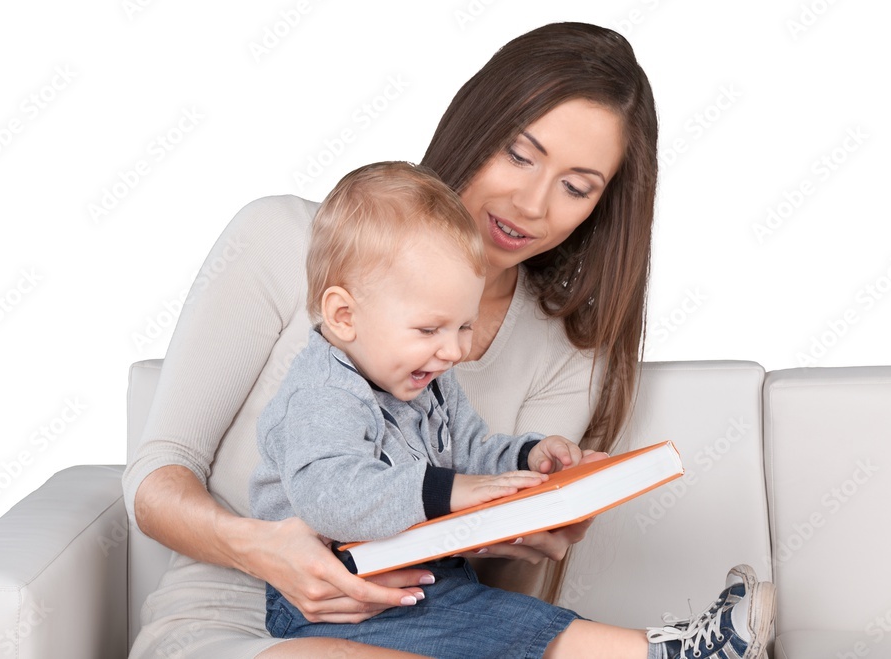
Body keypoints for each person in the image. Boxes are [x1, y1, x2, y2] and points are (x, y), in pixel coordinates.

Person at [123, 22, 768, 658]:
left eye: (576, 187)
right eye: (520, 154)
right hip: (237, 617)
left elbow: (484, 570)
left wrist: (533, 513)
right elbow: (157, 476)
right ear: (477, 126)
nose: (533, 204)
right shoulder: (283, 241)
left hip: (416, 613)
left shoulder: (563, 353)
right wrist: (262, 549)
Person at [246, 161, 776, 659]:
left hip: (413, 572)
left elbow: (472, 448)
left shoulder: (426, 380)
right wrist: (449, 490)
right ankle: (667, 650)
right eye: (430, 330)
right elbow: (330, 495)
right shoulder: (321, 394)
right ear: (343, 315)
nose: (453, 350)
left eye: (463, 327)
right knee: (484, 621)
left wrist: (529, 455)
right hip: (325, 601)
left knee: (493, 617)